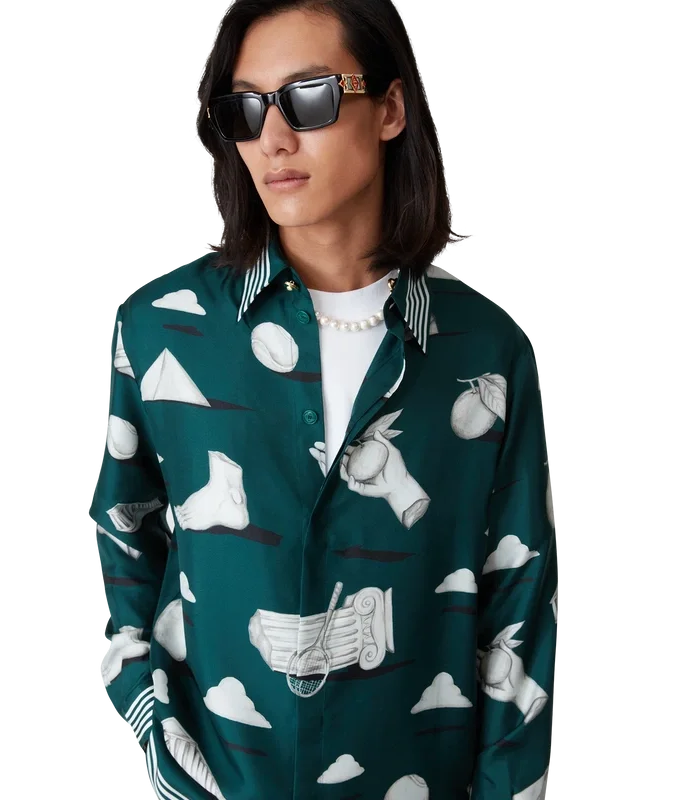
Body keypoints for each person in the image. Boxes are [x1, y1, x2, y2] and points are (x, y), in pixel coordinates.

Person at [89, 1, 558, 798]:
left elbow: (517, 597)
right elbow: (124, 539)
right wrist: (154, 732)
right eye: (244, 110)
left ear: (391, 109)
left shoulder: (483, 351)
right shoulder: (165, 329)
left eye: (309, 98)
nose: (273, 139)